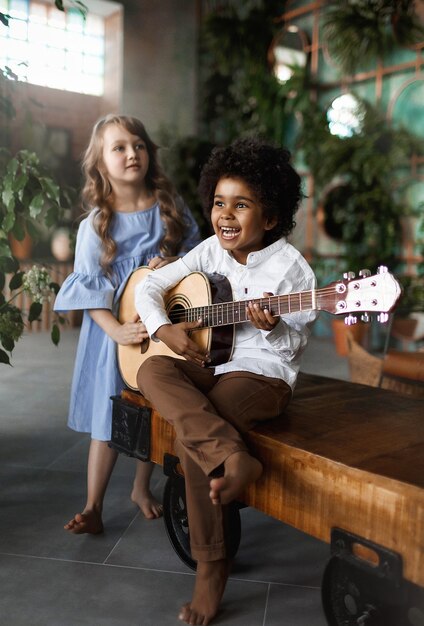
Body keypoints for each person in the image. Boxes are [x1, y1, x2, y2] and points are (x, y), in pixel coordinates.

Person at [134, 137, 317, 625]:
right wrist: (164, 328)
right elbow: (152, 285)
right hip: (210, 362)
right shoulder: (211, 250)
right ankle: (234, 457)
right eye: (219, 202)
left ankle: (211, 567)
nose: (226, 215)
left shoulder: (291, 271)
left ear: (271, 217)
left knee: (198, 437)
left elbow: (294, 346)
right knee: (152, 367)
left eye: (242, 204)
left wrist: (273, 325)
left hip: (261, 373)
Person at [54, 114, 201, 535]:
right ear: (100, 163)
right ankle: (93, 505)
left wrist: (173, 261)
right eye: (118, 147)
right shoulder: (96, 224)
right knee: (111, 415)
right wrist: (115, 330)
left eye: (137, 144)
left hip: (162, 326)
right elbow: (89, 291)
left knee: (153, 407)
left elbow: (195, 253)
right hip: (114, 333)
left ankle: (141, 487)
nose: (131, 153)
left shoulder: (168, 208)